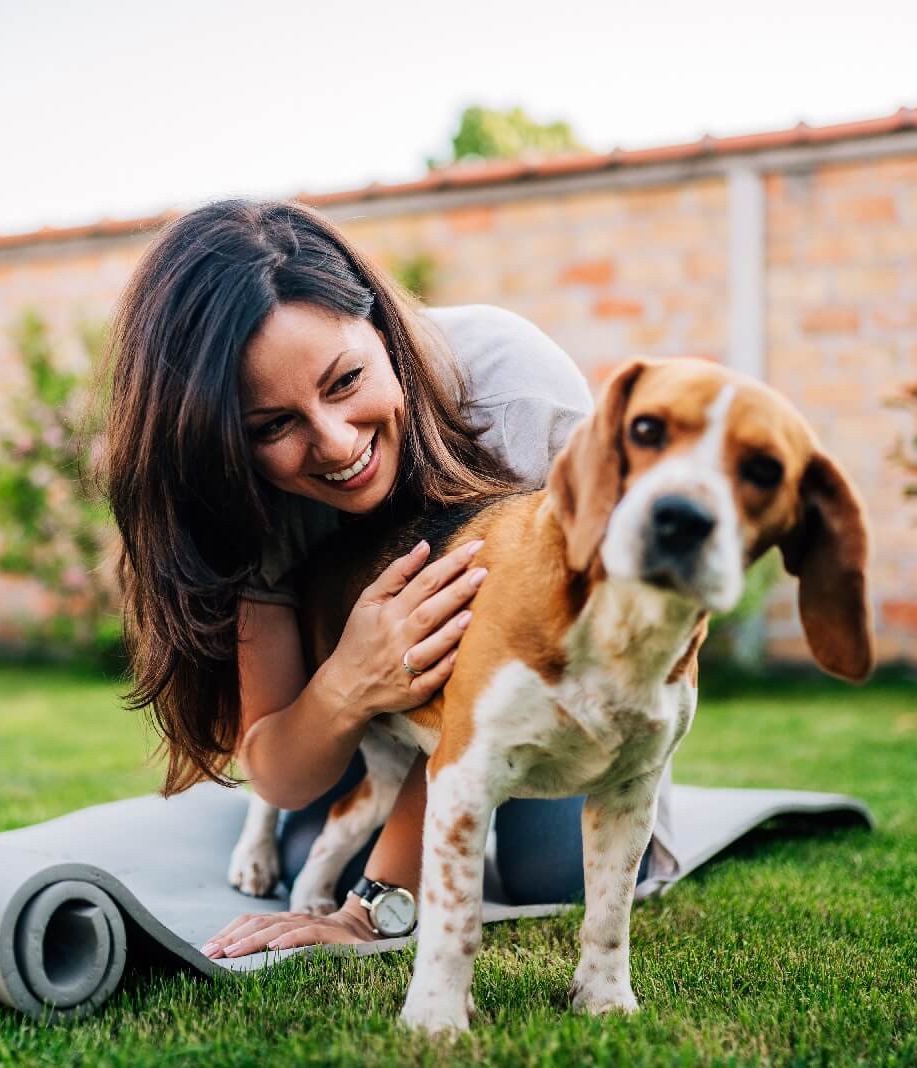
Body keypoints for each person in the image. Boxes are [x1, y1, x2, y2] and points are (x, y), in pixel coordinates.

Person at [101, 198, 671, 960]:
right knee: (304, 862)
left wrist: (376, 902)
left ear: (380, 327)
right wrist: (351, 681)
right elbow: (276, 769)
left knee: (554, 871)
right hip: (391, 723)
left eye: (345, 382)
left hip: (555, 682)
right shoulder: (246, 501)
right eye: (273, 426)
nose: (336, 445)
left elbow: (518, 692)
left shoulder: (516, 395)